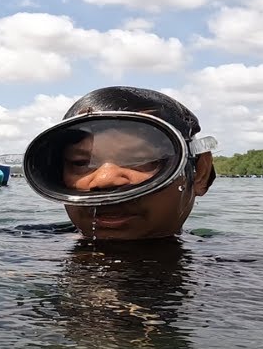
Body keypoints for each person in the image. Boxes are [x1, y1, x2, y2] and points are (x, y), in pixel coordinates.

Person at [21, 87, 217, 241]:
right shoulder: (25, 246)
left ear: (200, 172)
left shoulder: (226, 264)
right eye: (80, 163)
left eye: (140, 159)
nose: (105, 179)